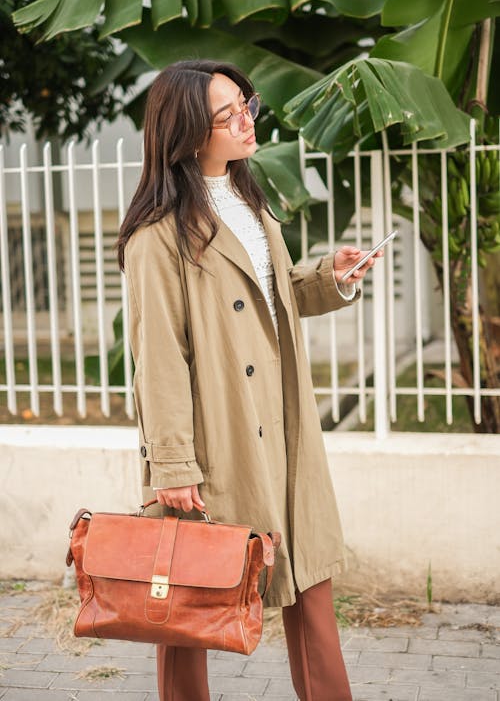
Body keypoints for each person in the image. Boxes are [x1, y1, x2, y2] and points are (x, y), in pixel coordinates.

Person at [117, 60, 382, 701]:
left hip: (284, 427)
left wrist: (331, 276)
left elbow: (272, 294)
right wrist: (173, 464)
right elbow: (159, 356)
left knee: (310, 583)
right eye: (226, 115)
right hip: (220, 438)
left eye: (247, 105)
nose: (247, 122)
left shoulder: (248, 200)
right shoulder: (156, 238)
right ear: (187, 134)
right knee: (189, 603)